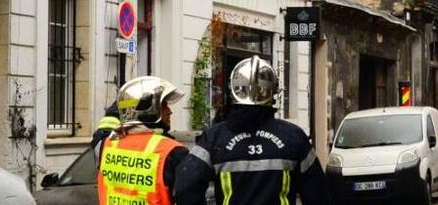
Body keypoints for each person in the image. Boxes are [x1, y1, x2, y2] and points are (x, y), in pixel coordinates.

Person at [174, 56, 327, 205]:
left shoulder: (214, 138)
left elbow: (186, 187)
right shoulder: (294, 137)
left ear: (233, 90)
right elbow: (318, 194)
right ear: (273, 92)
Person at [98, 76, 188, 205]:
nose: (170, 111)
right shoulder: (173, 152)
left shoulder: (107, 145)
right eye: (164, 106)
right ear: (149, 109)